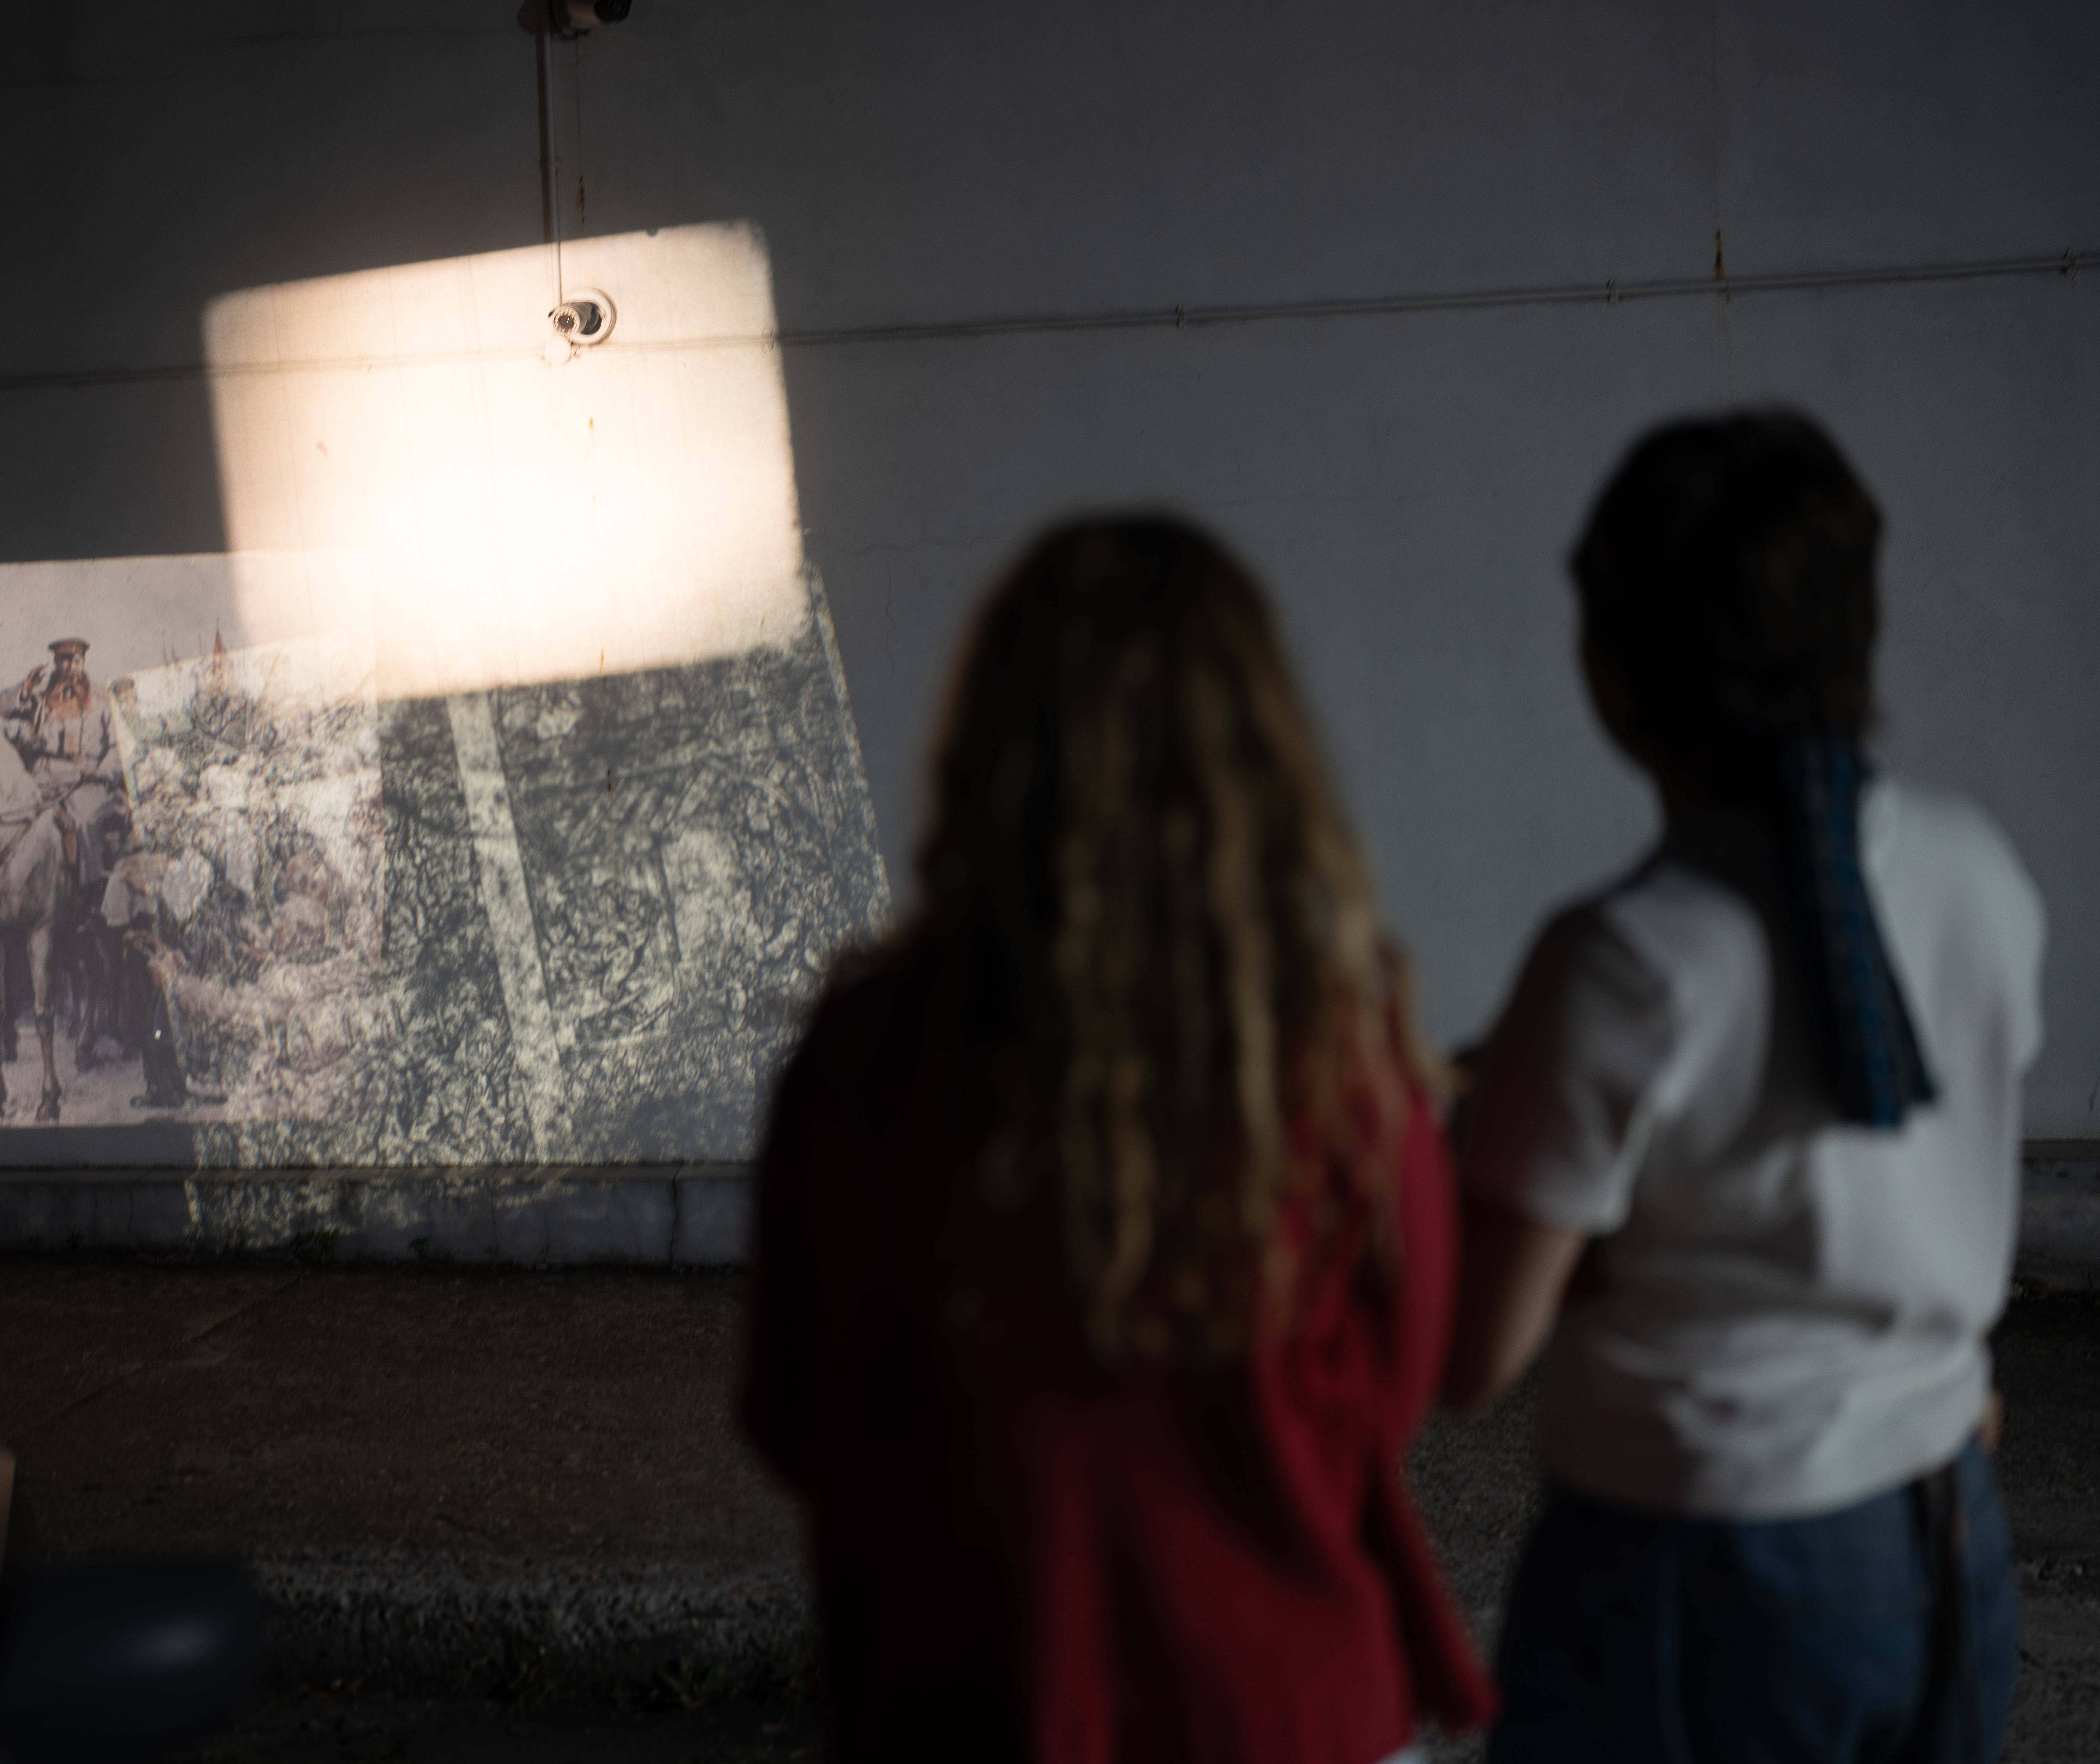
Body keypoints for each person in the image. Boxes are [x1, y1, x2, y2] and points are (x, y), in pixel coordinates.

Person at [740, 514, 1494, 1762]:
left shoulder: (865, 1057)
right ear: (1259, 761)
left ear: (989, 751)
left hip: (975, 1708)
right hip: (1295, 1715)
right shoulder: (1337, 1055)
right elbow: (1396, 1390)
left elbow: (794, 1413)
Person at [1448, 411, 2041, 1762]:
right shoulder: (1981, 871)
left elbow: (1475, 1352)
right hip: (1948, 1536)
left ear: (1611, 672)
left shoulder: (1617, 959)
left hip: (1695, 1573)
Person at [0, 637, 123, 887]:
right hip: (43, 776)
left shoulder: (101, 702)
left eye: (76, 661)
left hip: (83, 779)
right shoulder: (39, 697)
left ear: (83, 663)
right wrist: (24, 689)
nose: (70, 668)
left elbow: (117, 746)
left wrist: (101, 772)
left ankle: (90, 892)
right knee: (11, 816)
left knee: (85, 821)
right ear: (55, 663)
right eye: (64, 661)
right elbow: (1, 708)